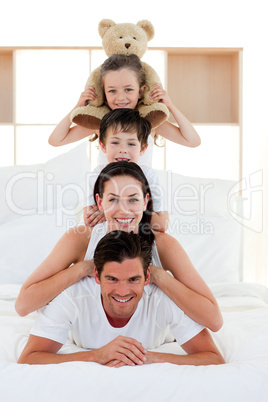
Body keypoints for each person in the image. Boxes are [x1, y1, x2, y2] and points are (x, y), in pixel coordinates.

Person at [15, 162, 223, 334]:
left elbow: (214, 320)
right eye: (113, 199)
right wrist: (83, 269)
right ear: (100, 201)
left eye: (133, 199)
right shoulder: (80, 240)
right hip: (89, 340)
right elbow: (23, 305)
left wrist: (155, 275)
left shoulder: (163, 244)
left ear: (145, 201)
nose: (123, 210)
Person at [18, 230, 225, 367]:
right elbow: (29, 358)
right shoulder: (72, 296)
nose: (123, 291)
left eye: (134, 279)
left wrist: (148, 357)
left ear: (148, 277)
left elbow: (213, 358)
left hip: (162, 336)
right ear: (97, 276)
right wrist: (97, 355)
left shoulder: (163, 297)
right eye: (113, 279)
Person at [48, 54, 201, 168]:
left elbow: (193, 141)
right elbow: (56, 140)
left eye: (128, 89)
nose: (120, 97)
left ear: (141, 91)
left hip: (138, 195)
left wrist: (170, 106)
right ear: (103, 93)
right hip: (107, 193)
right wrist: (77, 107)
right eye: (112, 91)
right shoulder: (100, 123)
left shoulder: (150, 124)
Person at [83, 108, 168, 231]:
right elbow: (90, 219)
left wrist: (109, 210)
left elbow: (162, 223)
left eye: (131, 144)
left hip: (139, 235)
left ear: (143, 148)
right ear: (103, 145)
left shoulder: (149, 175)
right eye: (115, 143)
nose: (123, 150)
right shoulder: (96, 175)